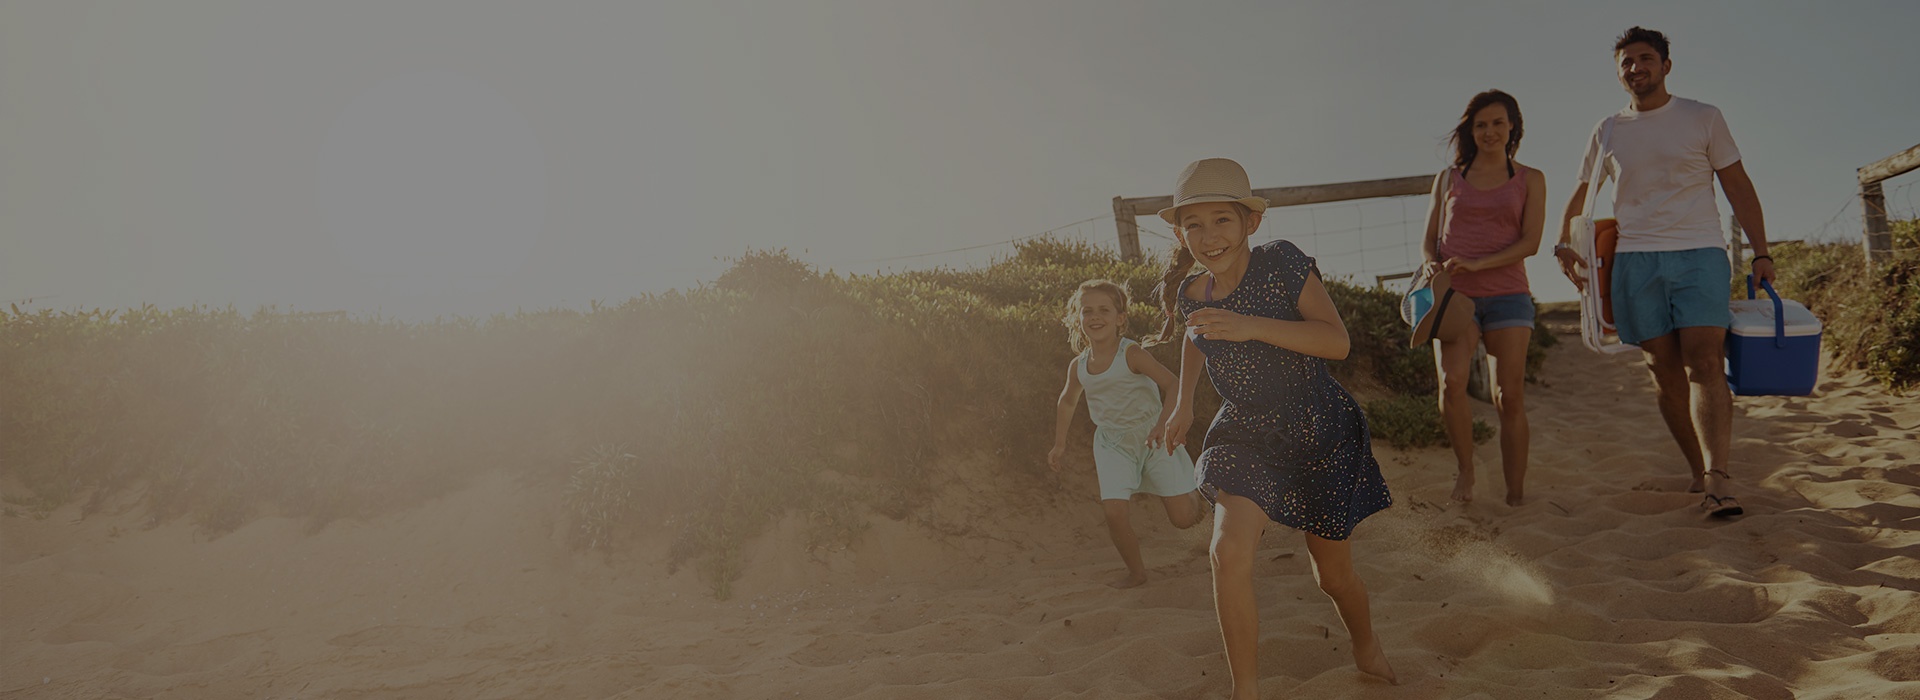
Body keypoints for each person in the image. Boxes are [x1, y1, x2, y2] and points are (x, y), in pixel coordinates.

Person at [1153, 158, 1397, 695]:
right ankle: (1247, 691)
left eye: (1222, 219)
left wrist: (1251, 328)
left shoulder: (1281, 263)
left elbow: (1336, 342)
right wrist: (1184, 404)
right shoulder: (1192, 293)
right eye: (1194, 223)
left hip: (1318, 427)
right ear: (1179, 232)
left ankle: (1366, 644)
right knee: (1227, 550)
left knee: (1333, 576)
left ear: (1251, 223)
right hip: (1245, 431)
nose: (1208, 235)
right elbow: (1197, 338)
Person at [1553, 26, 1776, 518]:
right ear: (1619, 72)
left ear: (1666, 65)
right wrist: (1564, 243)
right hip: (1635, 260)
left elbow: (1738, 185)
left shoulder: (1703, 117)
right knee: (1663, 370)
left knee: (1704, 361)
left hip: (1699, 253)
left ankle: (1719, 476)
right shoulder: (1607, 129)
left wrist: (1761, 252)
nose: (1636, 68)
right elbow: (1581, 193)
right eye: (1627, 62)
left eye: (1645, 58)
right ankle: (1699, 471)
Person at [1419, 89, 1548, 506]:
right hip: (1455, 298)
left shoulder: (1530, 178)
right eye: (1480, 125)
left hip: (1509, 294)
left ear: (1513, 126)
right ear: (1469, 131)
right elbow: (1429, 240)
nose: (1489, 131)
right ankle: (1467, 472)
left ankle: (1515, 494)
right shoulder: (1448, 179)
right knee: (1451, 381)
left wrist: (1480, 263)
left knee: (1507, 396)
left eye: (1497, 123)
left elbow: (1531, 242)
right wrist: (1429, 265)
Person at [1049, 279, 1205, 589]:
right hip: (1112, 444)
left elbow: (1173, 384)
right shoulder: (1078, 366)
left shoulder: (1131, 354)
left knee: (1183, 519)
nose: (1095, 316)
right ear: (1077, 319)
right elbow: (1067, 401)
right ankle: (1137, 572)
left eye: (1104, 310)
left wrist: (1164, 423)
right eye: (1087, 310)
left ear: (1120, 318)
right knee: (1114, 512)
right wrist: (1059, 444)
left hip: (1154, 437)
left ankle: (1204, 494)